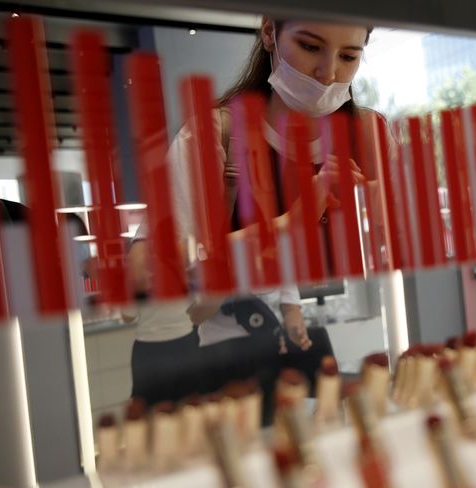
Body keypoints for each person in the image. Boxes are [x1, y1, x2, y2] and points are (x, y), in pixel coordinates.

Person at [128, 18, 382, 421]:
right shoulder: (214, 137)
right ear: (269, 33)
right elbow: (155, 274)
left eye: (349, 56)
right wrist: (286, 225)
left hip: (311, 353)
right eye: (311, 46)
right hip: (221, 365)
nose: (328, 73)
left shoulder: (370, 137)